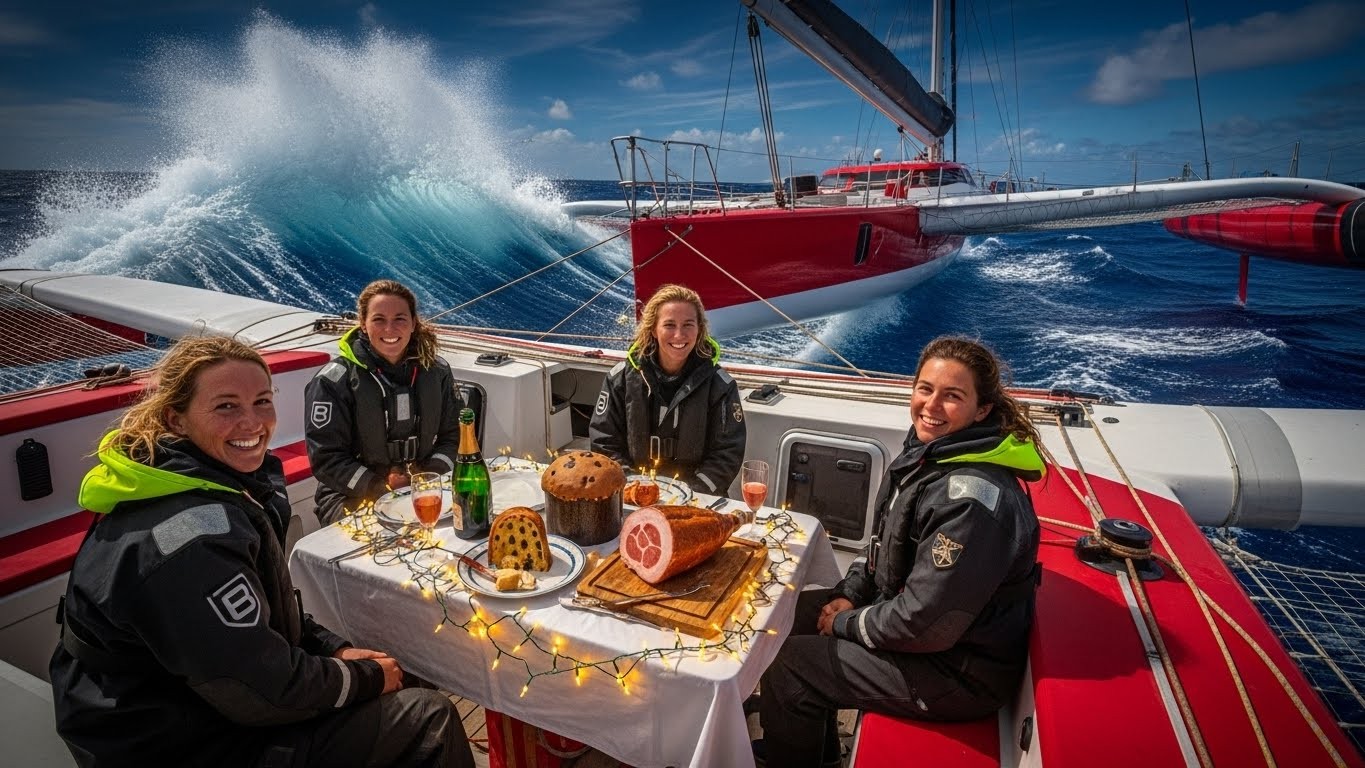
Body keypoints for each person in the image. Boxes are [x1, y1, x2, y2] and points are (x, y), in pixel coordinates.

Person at [50, 336, 473, 768]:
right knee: (428, 719)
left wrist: (333, 649)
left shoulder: (205, 482)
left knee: (399, 675)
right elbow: (263, 691)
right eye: (226, 406)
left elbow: (265, 615)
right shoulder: (186, 539)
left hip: (198, 702)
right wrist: (361, 677)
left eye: (261, 401)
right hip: (172, 742)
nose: (252, 423)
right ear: (176, 420)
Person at [754, 336, 1044, 768]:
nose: (931, 405)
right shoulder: (930, 452)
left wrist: (845, 623)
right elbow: (881, 548)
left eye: (952, 396)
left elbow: (926, 623)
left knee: (792, 666)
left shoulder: (972, 502)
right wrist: (850, 593)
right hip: (921, 627)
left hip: (957, 669)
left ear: (982, 409)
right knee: (778, 614)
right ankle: (813, 749)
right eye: (925, 389)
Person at [305, 279, 464, 525]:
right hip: (351, 495)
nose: (389, 329)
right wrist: (380, 486)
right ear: (364, 325)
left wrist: (428, 476)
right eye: (379, 319)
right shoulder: (334, 381)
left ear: (413, 324)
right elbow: (327, 459)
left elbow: (455, 436)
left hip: (426, 487)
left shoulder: (437, 372)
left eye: (400, 319)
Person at [589, 283, 746, 495]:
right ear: (654, 329)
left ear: (699, 329)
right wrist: (630, 487)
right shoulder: (620, 379)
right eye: (669, 325)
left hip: (697, 498)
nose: (679, 335)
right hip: (631, 492)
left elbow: (727, 453)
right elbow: (604, 441)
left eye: (688, 324)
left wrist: (690, 495)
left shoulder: (720, 385)